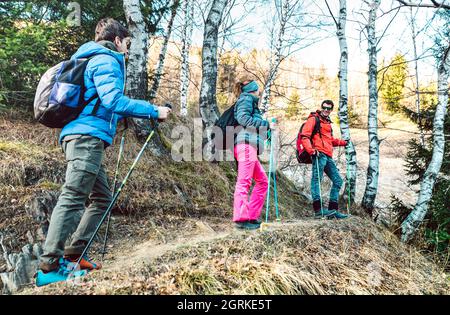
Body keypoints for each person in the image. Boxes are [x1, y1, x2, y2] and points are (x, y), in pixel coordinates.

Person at [36, 18, 172, 286]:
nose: (127, 49)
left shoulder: (90, 57)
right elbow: (112, 100)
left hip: (86, 135)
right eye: (128, 44)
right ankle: (48, 266)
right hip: (86, 138)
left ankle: (75, 253)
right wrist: (154, 110)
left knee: (102, 198)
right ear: (118, 40)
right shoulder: (106, 59)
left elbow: (102, 101)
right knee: (73, 196)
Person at [232, 78, 271, 230]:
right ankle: (241, 220)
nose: (259, 91)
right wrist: (265, 124)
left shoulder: (251, 102)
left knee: (263, 181)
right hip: (245, 145)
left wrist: (266, 128)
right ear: (253, 89)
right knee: (244, 181)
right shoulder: (246, 99)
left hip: (250, 146)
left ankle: (252, 216)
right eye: (257, 88)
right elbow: (242, 118)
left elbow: (251, 122)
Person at [300, 100, 349, 219]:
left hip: (328, 156)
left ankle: (333, 211)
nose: (326, 110)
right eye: (324, 107)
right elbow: (304, 136)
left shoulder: (327, 123)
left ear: (331, 110)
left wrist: (343, 142)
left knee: (338, 181)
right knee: (317, 180)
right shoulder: (313, 119)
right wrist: (312, 150)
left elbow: (330, 140)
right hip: (318, 155)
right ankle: (318, 210)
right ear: (321, 107)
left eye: (329, 108)